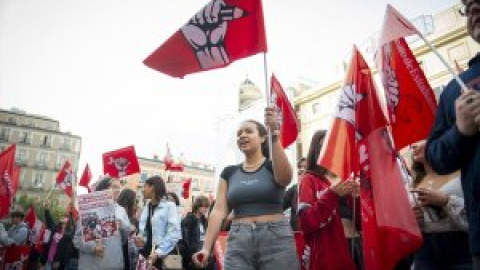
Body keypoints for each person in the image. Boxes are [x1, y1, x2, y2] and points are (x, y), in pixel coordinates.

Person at [192, 107, 300, 270]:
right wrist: (206, 248)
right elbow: (219, 211)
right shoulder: (229, 173)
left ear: (263, 137)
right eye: (239, 133)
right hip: (238, 241)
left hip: (276, 240)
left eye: (249, 131)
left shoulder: (273, 166)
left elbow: (285, 178)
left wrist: (275, 136)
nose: (242, 135)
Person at [425, 1, 480, 268]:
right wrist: (460, 130)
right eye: (468, 7)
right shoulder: (455, 89)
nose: (474, 11)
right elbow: (435, 156)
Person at [297, 130, 359, 270]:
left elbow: (361, 221)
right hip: (329, 253)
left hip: (357, 246)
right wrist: (331, 194)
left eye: (334, 144)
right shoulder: (309, 180)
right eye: (324, 145)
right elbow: (306, 222)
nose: (330, 149)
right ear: (316, 150)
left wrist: (359, 198)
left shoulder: (348, 179)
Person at [409, 140, 472, 269]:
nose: (414, 145)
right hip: (425, 251)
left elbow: (474, 213)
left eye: (420, 140)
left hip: (462, 249)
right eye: (412, 144)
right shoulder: (413, 183)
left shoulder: (464, 174)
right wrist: (413, 220)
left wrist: (445, 200)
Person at [73, 177, 133, 270]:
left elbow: (124, 238)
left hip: (114, 265)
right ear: (103, 189)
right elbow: (77, 240)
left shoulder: (121, 210)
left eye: (119, 187)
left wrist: (122, 226)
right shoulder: (89, 209)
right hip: (92, 265)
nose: (118, 190)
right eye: (114, 187)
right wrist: (93, 248)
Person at [134, 176, 181, 270]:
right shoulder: (147, 206)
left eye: (145, 186)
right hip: (147, 254)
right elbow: (145, 230)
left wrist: (158, 252)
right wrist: (141, 238)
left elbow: (174, 234)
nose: (143, 190)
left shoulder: (169, 206)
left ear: (152, 187)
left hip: (163, 256)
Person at [41, 200, 77, 270]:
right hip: (48, 260)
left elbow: (67, 251)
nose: (63, 218)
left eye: (66, 217)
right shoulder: (55, 229)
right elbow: (49, 220)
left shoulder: (69, 234)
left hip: (58, 262)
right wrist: (47, 209)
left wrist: (60, 262)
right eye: (63, 217)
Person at [182, 196, 213, 270]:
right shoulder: (188, 220)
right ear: (197, 206)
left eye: (207, 207)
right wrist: (190, 257)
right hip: (192, 257)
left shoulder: (204, 221)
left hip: (203, 254)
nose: (206, 209)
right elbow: (185, 241)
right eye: (204, 206)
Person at [117, 188, 139, 270]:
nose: (136, 202)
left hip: (124, 250)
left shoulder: (130, 216)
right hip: (124, 250)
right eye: (135, 200)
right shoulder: (121, 213)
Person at [283, 158, 307, 231]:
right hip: (296, 235)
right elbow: (278, 205)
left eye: (305, 167)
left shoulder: (318, 188)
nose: (301, 169)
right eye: (299, 167)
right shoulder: (294, 189)